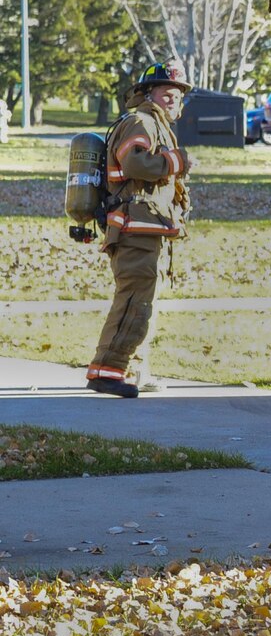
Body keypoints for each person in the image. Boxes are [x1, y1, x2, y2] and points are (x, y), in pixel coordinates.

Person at [85, 61, 194, 398]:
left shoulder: (156, 124)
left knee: (143, 302)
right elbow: (134, 162)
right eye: (166, 94)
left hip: (147, 229)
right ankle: (107, 372)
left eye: (178, 95)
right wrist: (177, 161)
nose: (174, 101)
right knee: (134, 300)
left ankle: (128, 369)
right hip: (134, 229)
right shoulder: (142, 122)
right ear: (148, 95)